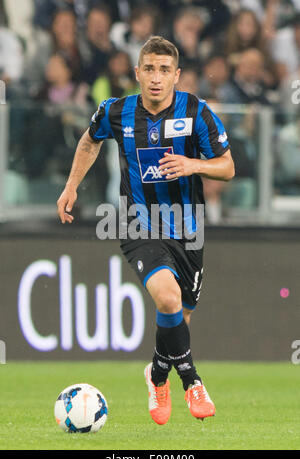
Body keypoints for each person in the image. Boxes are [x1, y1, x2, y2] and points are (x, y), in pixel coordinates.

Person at [57, 36, 235, 425]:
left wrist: (193, 165)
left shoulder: (196, 112)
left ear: (177, 76)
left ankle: (157, 375)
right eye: (149, 69)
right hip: (139, 224)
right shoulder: (116, 111)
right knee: (167, 300)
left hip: (189, 231)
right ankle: (192, 381)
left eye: (164, 70)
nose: (156, 78)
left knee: (178, 319)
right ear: (137, 73)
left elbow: (227, 165)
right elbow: (89, 141)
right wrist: (72, 186)